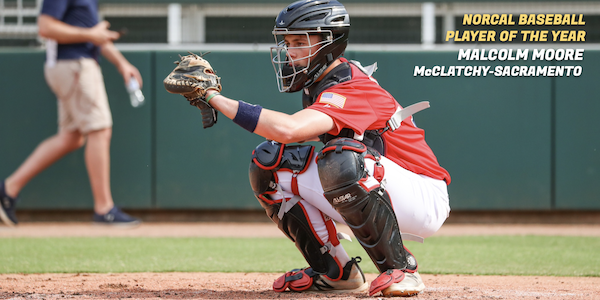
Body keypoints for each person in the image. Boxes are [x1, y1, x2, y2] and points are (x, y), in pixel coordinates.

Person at [170, 0, 450, 297]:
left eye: (300, 41)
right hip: (385, 184)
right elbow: (283, 139)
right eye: (287, 42)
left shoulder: (351, 84)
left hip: (423, 194)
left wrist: (213, 96)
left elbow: (289, 129)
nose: (290, 51)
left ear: (330, 42)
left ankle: (403, 269)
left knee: (340, 159)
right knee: (270, 163)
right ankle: (337, 272)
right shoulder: (320, 84)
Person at [0, 0, 142, 227]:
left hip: (72, 65)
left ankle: (8, 189)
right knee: (99, 129)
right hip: (75, 66)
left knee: (71, 137)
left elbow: (95, 37)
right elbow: (45, 27)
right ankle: (104, 208)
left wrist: (121, 64)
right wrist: (90, 34)